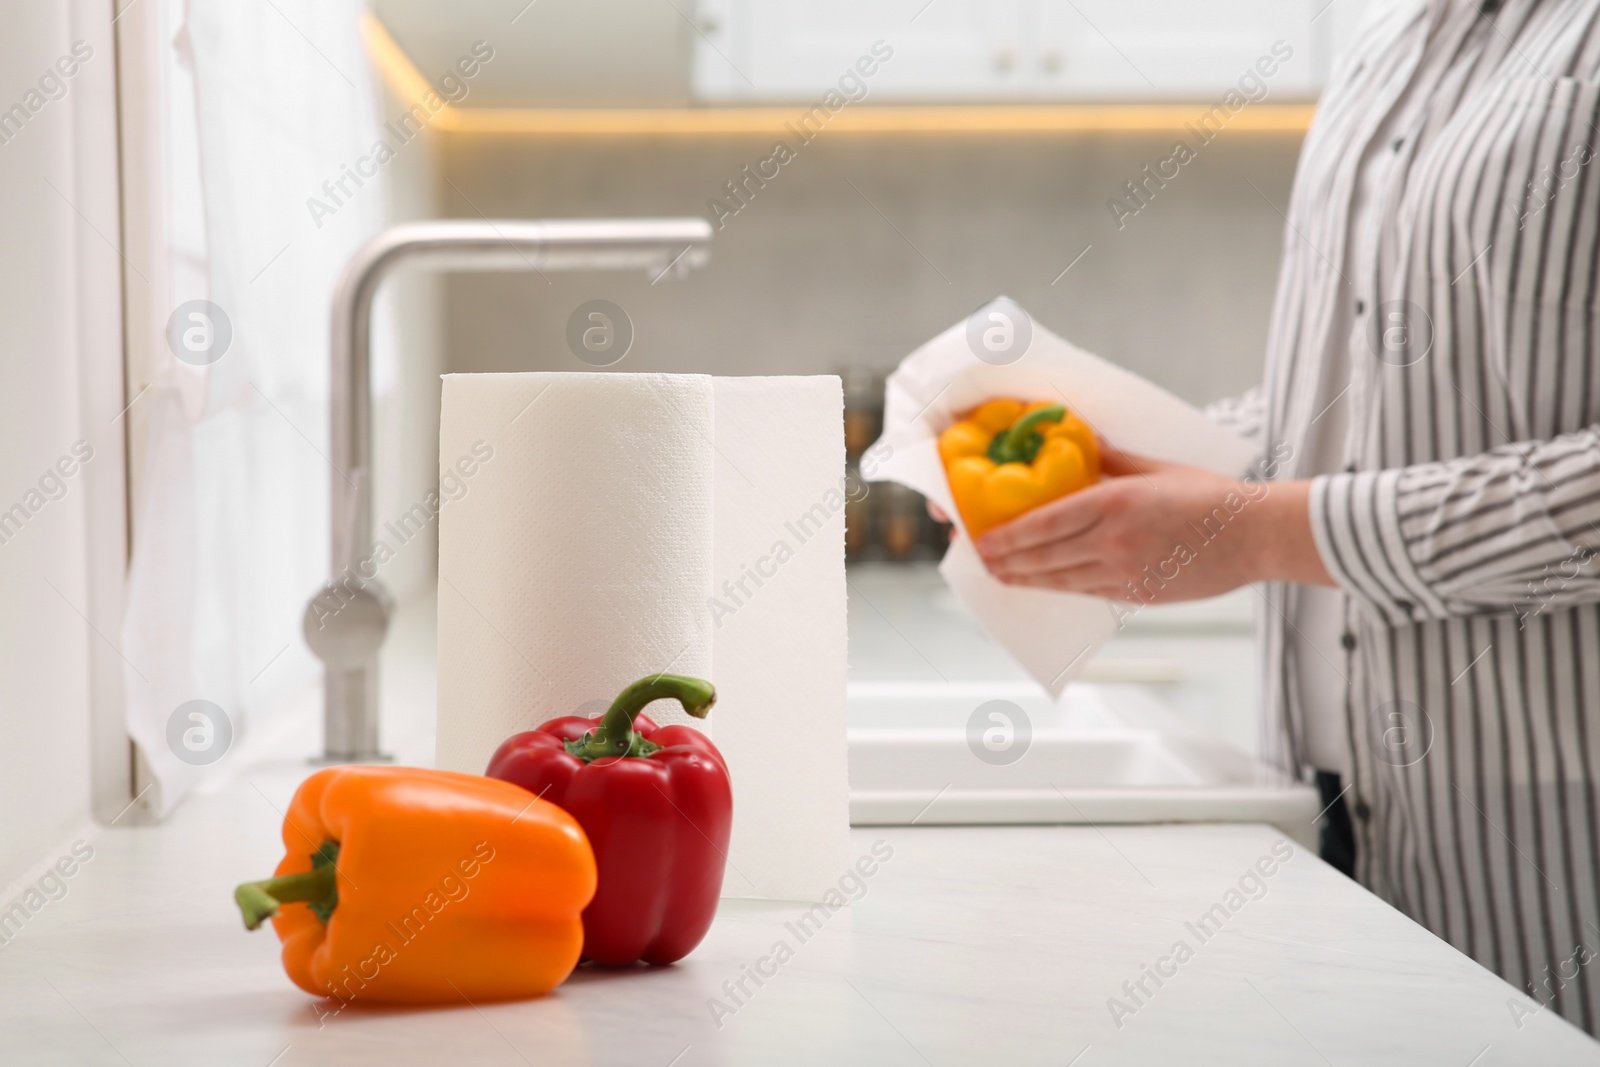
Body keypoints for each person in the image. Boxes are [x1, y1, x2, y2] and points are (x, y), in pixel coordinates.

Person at [975, 0, 1600, 1035]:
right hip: (1324, 803)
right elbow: (1359, 398)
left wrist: (1255, 529)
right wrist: (1141, 459)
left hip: (1547, 812)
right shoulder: (1386, 45)